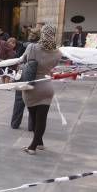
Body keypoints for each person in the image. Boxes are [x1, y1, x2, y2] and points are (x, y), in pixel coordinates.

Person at [20, 25, 62, 155]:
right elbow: (52, 66)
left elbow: (23, 60)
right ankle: (40, 142)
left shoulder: (32, 47)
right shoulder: (58, 52)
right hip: (47, 86)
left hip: (32, 86)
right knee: (41, 118)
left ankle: (32, 146)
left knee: (34, 117)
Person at [11, 28, 40, 130]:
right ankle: (31, 126)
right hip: (36, 76)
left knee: (19, 100)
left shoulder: (29, 46)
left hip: (24, 75)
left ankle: (15, 123)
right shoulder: (41, 47)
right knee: (32, 102)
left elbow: (22, 59)